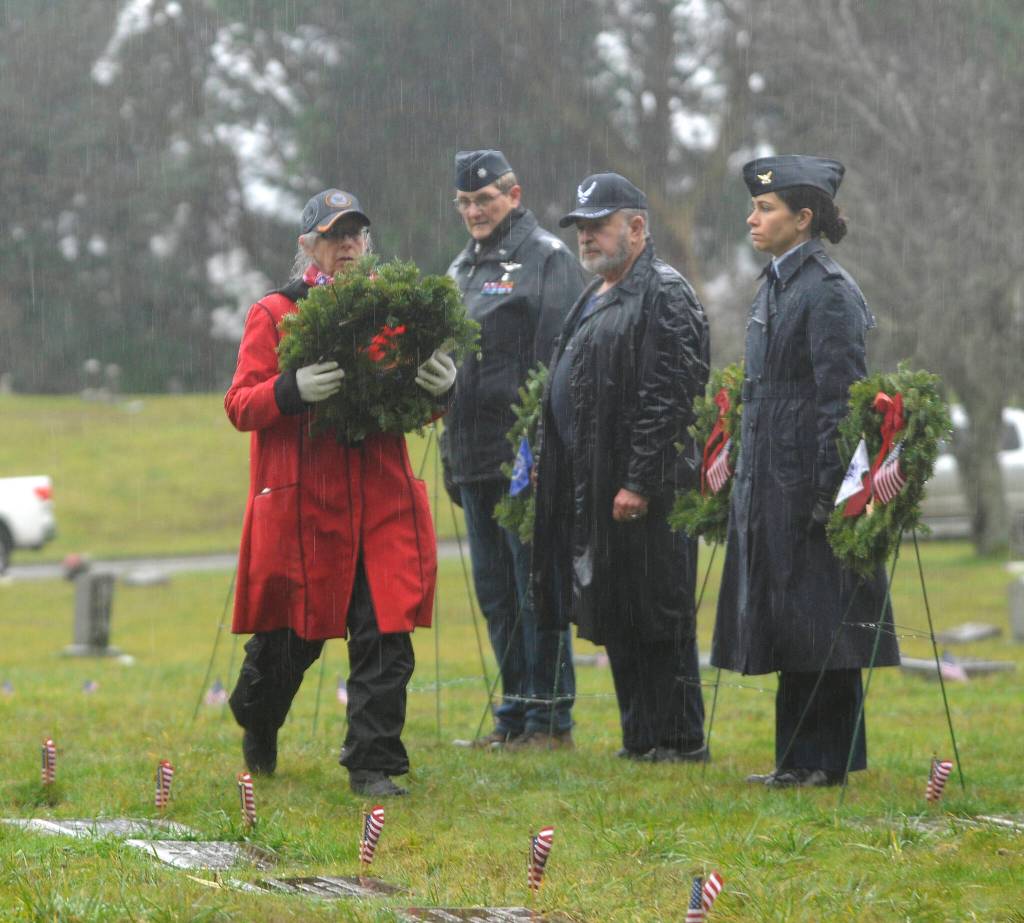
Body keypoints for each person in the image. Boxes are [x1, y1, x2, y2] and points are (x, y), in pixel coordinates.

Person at [224, 188, 456, 797]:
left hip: (381, 501)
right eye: (334, 235)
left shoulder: (392, 313)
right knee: (288, 640)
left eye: (356, 234)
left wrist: (441, 389)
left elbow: (415, 404)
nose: (347, 245)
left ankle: (372, 764)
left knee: (386, 632)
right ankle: (256, 715)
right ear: (308, 247)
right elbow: (240, 405)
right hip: (308, 507)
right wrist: (289, 389)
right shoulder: (274, 313)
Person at [711, 155, 900, 788]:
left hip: (810, 484)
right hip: (772, 480)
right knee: (791, 621)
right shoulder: (777, 282)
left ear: (804, 218)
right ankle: (795, 759)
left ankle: (827, 762)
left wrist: (828, 494)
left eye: (766, 208)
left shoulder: (828, 290)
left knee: (826, 622)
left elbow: (840, 400)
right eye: (756, 207)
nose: (753, 217)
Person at [532, 173, 710, 763]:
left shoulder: (664, 292)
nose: (586, 238)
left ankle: (679, 741)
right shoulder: (599, 291)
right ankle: (641, 739)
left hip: (646, 492)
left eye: (597, 226)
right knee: (620, 611)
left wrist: (640, 478)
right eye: (580, 228)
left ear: (636, 227)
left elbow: (672, 395)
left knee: (659, 612)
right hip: (598, 484)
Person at [442, 150, 586, 750]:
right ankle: (514, 712)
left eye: (486, 199)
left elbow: (560, 361)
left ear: (514, 194)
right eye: (466, 203)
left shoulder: (547, 260)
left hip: (524, 457)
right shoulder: (460, 269)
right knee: (496, 592)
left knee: (535, 587)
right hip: (472, 455)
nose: (476, 211)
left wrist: (547, 449)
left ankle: (548, 717)